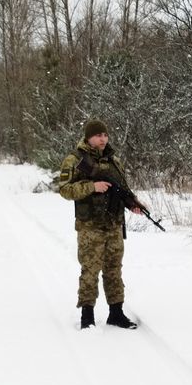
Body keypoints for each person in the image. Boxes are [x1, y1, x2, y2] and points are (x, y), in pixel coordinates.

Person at [57, 119, 144, 330]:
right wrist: (91, 186)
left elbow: (122, 189)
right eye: (98, 135)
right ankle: (87, 317)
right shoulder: (75, 160)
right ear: (88, 137)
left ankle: (116, 313)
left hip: (113, 224)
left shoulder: (115, 161)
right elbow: (64, 190)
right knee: (90, 270)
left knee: (114, 269)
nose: (103, 139)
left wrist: (132, 204)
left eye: (105, 135)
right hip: (90, 226)